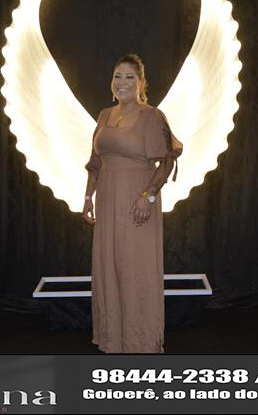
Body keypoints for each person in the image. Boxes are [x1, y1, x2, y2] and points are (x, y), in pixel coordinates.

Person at [82, 54, 182, 353]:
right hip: (107, 202)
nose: (122, 82)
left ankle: (141, 343)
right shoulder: (104, 115)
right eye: (117, 76)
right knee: (109, 269)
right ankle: (113, 340)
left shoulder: (151, 116)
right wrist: (87, 197)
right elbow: (95, 163)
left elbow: (167, 161)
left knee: (136, 271)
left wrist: (148, 196)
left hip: (138, 205)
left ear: (141, 83)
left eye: (129, 76)